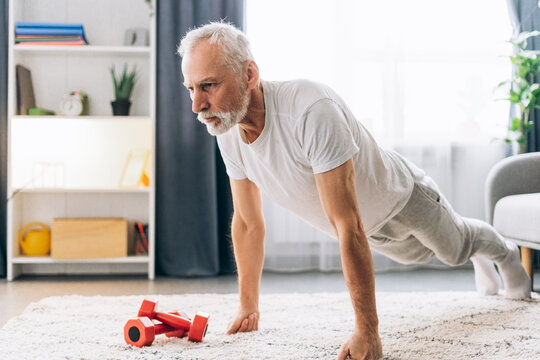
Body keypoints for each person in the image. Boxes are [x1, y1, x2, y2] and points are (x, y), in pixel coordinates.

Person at [178, 22, 531, 360]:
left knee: (454, 250)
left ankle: (502, 251)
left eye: (208, 85)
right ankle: (478, 252)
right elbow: (247, 223)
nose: (197, 105)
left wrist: (368, 331)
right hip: (371, 230)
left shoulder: (309, 109)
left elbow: (348, 224)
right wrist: (247, 304)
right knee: (419, 256)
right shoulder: (228, 133)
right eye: (191, 89)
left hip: (404, 198)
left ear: (249, 75)